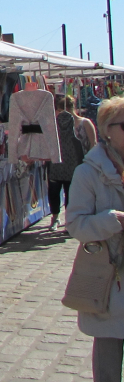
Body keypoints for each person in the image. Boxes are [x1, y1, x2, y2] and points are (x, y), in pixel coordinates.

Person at [66, 96, 124, 382]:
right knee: (108, 367)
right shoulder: (88, 173)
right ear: (107, 129)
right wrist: (111, 221)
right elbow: (75, 225)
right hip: (109, 282)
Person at [48, 94, 89, 231]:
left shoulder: (84, 123)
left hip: (74, 164)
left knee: (70, 194)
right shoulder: (54, 125)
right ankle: (56, 218)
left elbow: (92, 144)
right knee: (55, 192)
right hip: (57, 164)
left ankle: (69, 220)